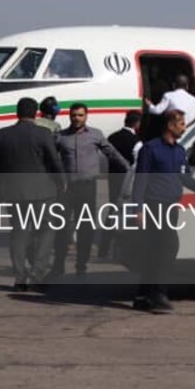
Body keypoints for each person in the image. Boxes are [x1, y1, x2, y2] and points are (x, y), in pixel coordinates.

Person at [130, 108, 195, 313]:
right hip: (154, 206)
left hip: (171, 207)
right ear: (170, 125)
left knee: (154, 251)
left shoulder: (179, 151)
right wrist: (138, 209)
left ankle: (143, 295)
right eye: (181, 124)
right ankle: (159, 293)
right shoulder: (150, 149)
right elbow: (140, 179)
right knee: (169, 247)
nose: (184, 128)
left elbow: (184, 177)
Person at [0, 97, 65, 292]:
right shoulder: (43, 133)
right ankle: (37, 274)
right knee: (46, 231)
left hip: (13, 192)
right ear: (35, 114)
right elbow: (54, 161)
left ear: (17, 113)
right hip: (42, 192)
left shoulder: (3, 134)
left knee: (19, 234)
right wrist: (61, 182)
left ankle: (20, 277)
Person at [52, 102, 128, 277]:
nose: (77, 118)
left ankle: (81, 265)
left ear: (86, 116)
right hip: (66, 189)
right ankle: (58, 264)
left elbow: (112, 153)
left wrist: (129, 168)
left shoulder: (96, 135)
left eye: (80, 115)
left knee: (85, 227)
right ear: (69, 116)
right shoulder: (60, 137)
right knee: (62, 227)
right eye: (74, 115)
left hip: (87, 187)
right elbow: (51, 159)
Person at [98, 110, 142, 259]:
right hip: (127, 180)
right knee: (126, 214)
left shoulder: (112, 137)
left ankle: (103, 248)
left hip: (113, 178)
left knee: (112, 211)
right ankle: (119, 250)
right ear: (137, 124)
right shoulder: (137, 141)